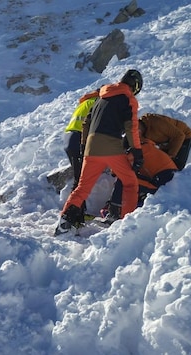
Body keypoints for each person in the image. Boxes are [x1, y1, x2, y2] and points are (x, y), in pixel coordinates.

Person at [55, 69, 144, 235]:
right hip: (111, 145)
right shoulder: (128, 98)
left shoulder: (101, 97)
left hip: (91, 147)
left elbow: (86, 123)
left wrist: (84, 147)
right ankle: (127, 225)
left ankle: (65, 221)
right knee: (130, 182)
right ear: (135, 86)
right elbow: (131, 127)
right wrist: (137, 152)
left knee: (82, 188)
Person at [100, 121, 178, 223]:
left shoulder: (138, 150)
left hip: (162, 184)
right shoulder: (145, 146)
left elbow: (116, 171)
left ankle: (113, 214)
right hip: (165, 182)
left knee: (124, 180)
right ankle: (121, 210)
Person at [63, 89, 99, 190]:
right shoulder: (98, 102)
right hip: (78, 138)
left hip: (69, 137)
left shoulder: (86, 102)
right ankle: (75, 204)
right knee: (81, 181)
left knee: (79, 176)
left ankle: (78, 203)